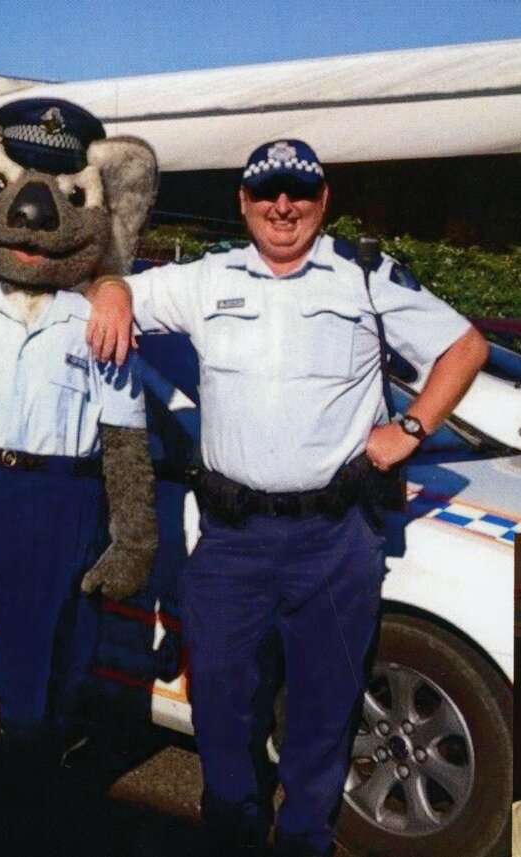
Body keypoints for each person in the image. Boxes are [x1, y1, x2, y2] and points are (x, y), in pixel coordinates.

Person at [85, 139, 488, 856]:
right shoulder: (208, 278)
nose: (282, 206)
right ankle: (232, 822)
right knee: (217, 695)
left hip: (334, 537)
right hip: (232, 538)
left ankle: (305, 836)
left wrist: (410, 429)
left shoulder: (363, 277)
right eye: (266, 191)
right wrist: (115, 290)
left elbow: (465, 348)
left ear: (321, 201)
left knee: (324, 708)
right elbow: (109, 287)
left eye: (298, 192)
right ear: (244, 202)